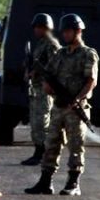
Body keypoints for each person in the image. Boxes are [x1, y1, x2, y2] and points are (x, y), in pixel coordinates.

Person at [25, 13, 98, 196]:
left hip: (75, 108)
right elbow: (48, 74)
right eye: (63, 31)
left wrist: (79, 99)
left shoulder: (88, 54)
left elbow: (91, 81)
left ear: (78, 31)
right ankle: (45, 182)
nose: (65, 35)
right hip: (58, 106)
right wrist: (48, 86)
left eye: (68, 31)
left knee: (75, 146)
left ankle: (73, 183)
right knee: (51, 144)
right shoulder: (60, 54)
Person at [21, 13, 60, 166]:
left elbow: (55, 66)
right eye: (35, 27)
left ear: (46, 28)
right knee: (36, 121)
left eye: (39, 27)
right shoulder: (41, 43)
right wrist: (29, 71)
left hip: (46, 88)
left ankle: (43, 153)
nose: (36, 30)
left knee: (42, 121)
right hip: (36, 88)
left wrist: (37, 72)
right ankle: (38, 151)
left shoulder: (51, 44)